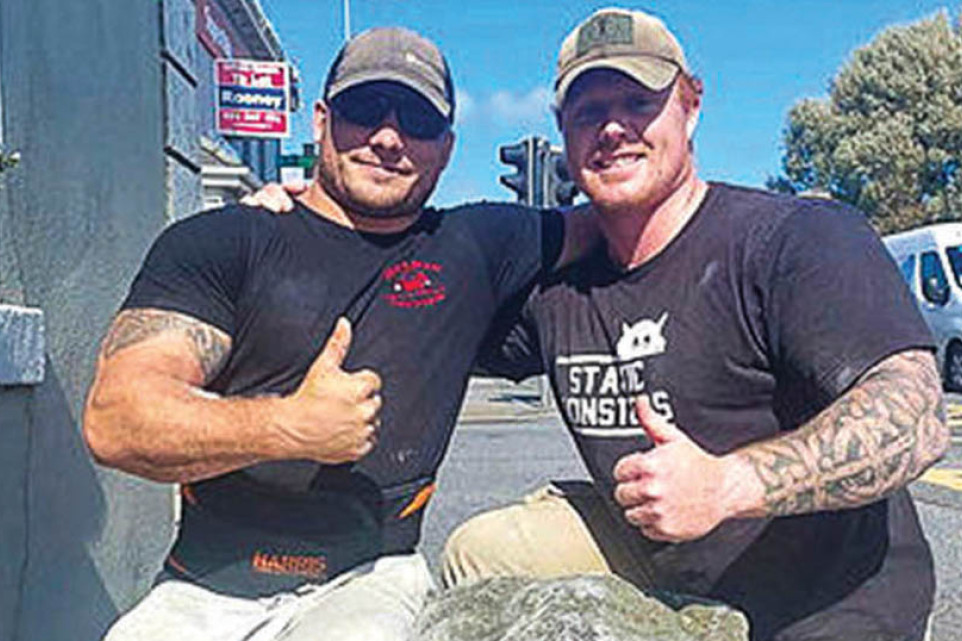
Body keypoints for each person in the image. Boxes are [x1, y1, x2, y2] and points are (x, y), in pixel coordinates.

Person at [438, 8, 949, 641]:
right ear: (561, 129)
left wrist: (728, 484)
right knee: (484, 552)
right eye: (588, 110)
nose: (613, 127)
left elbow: (917, 416)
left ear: (691, 105)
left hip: (832, 609)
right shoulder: (559, 290)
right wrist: (303, 219)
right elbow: (419, 307)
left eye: (638, 100)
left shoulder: (792, 239)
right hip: (672, 583)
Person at [82, 26, 593, 641]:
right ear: (322, 119)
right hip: (203, 590)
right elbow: (116, 419)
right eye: (363, 109)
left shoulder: (478, 245)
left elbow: (628, 214)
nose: (387, 137)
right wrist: (289, 426)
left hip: (370, 581)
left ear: (448, 147)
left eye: (418, 120)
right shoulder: (225, 241)